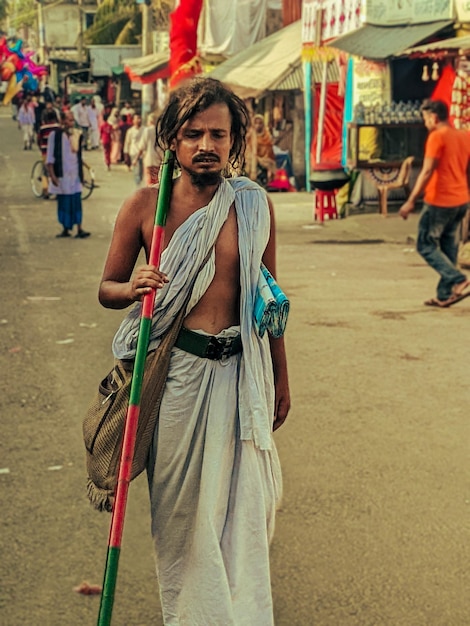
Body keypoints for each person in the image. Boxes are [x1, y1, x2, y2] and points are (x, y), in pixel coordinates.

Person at [98, 76, 290, 625]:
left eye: (218, 134)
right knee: (184, 515)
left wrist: (281, 377)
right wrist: (133, 286)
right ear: (172, 141)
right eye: (193, 133)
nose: (206, 144)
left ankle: (241, 616)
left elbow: (270, 300)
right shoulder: (143, 206)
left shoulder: (253, 206)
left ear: (234, 142)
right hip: (178, 377)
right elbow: (106, 289)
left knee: (243, 513)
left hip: (242, 373)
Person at [399, 99, 470, 307]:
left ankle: (457, 278)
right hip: (461, 199)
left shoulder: (437, 137)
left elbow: (427, 171)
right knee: (448, 245)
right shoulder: (464, 136)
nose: (425, 123)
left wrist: (411, 200)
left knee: (425, 244)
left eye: (425, 119)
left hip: (440, 199)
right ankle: (444, 293)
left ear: (433, 117)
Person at [45, 110, 91, 239]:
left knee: (76, 201)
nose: (71, 123)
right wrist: (52, 175)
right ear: (62, 121)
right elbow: (50, 158)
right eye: (69, 120)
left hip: (75, 174)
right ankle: (65, 228)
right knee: (64, 202)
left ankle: (79, 228)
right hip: (62, 175)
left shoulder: (77, 135)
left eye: (72, 120)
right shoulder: (55, 135)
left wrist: (83, 174)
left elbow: (79, 156)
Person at [133, 112, 164, 186]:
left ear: (149, 121)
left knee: (149, 180)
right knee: (156, 180)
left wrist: (136, 159)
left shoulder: (147, 130)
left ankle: (150, 195)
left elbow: (142, 146)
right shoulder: (160, 130)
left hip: (149, 159)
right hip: (158, 159)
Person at [246, 113, 277, 185]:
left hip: (265, 158)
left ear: (263, 124)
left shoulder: (267, 135)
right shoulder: (251, 134)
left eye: (260, 123)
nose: (257, 125)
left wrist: (260, 157)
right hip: (251, 157)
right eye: (256, 123)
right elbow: (247, 146)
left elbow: (269, 152)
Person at [37, 108, 60, 199]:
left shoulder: (43, 128)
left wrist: (40, 147)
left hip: (45, 152)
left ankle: (46, 191)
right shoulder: (58, 127)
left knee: (45, 172)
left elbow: (39, 140)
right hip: (56, 152)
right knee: (56, 171)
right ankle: (57, 191)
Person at [123, 113, 145, 186]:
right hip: (134, 152)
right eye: (137, 118)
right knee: (137, 170)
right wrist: (126, 155)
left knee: (141, 171)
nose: (139, 120)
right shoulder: (130, 131)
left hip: (143, 153)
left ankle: (139, 182)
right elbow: (127, 143)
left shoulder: (145, 130)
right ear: (133, 120)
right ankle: (137, 185)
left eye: (140, 118)